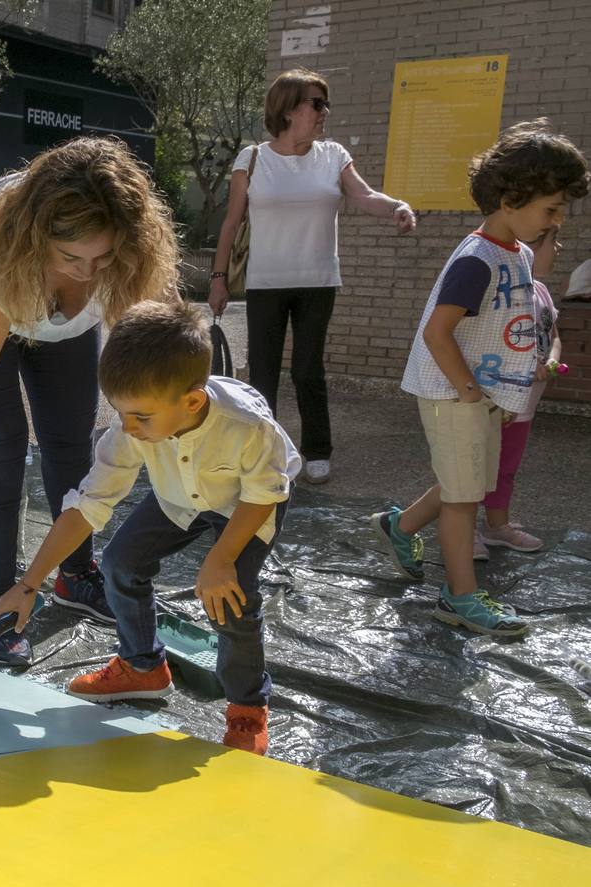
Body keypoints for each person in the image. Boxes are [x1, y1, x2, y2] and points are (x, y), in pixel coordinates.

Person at [0, 135, 179, 666]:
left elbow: (171, 349)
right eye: (71, 257)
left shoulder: (129, 258)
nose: (86, 272)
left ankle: (75, 574)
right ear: (40, 239)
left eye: (102, 257)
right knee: (2, 436)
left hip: (52, 317)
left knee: (70, 434)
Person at [0, 301, 299, 755]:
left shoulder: (247, 426)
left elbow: (263, 494)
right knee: (120, 563)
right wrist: (29, 584)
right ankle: (143, 668)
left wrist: (221, 559)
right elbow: (87, 507)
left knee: (230, 594)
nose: (128, 427)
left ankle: (247, 707)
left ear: (192, 402)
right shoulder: (133, 426)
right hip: (178, 497)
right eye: (121, 413)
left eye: (141, 417)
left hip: (247, 504)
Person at [371, 120, 588, 637]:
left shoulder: (519, 253)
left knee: (465, 481)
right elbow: (437, 332)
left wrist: (500, 392)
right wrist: (470, 392)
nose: (556, 220)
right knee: (464, 497)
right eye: (551, 210)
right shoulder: (476, 260)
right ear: (510, 200)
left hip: (480, 394)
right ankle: (459, 596)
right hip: (455, 392)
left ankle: (399, 526)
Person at [208, 67, 417, 485]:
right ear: (288, 109)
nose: (325, 112)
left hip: (318, 280)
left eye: (326, 104)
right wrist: (218, 278)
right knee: (263, 373)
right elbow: (231, 223)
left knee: (308, 369)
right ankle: (261, 451)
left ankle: (317, 451)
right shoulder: (253, 159)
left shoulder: (333, 155)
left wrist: (397, 206)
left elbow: (363, 195)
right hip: (266, 282)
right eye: (317, 103)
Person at [474, 227, 563, 559]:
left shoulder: (541, 291)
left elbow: (554, 335)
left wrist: (551, 359)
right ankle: (461, 529)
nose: (559, 247)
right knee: (473, 469)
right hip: (495, 401)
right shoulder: (504, 294)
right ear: (528, 248)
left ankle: (496, 526)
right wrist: (527, 364)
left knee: (505, 468)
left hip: (525, 405)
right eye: (552, 241)